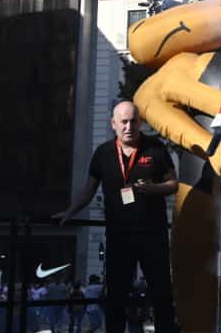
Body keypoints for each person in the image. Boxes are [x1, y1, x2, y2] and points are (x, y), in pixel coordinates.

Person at [54, 101, 178, 333]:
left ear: (140, 122)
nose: (128, 126)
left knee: (161, 294)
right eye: (123, 121)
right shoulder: (103, 153)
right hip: (119, 236)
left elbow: (173, 184)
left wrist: (154, 189)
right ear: (113, 124)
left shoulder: (155, 148)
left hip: (153, 234)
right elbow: (89, 189)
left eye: (133, 121)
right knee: (116, 296)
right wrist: (71, 211)